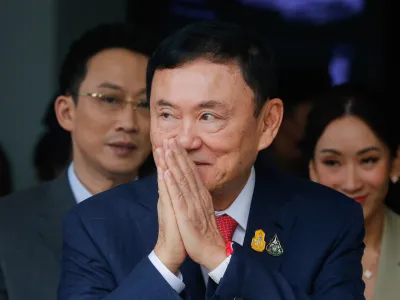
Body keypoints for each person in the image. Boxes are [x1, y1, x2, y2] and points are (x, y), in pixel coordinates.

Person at [59, 21, 365, 300]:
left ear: (268, 123)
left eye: (209, 116)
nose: (185, 140)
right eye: (167, 115)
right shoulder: (94, 225)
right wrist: (164, 262)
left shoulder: (328, 222)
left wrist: (220, 258)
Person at [0, 23, 156, 300]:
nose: (128, 123)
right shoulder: (8, 224)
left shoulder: (183, 220)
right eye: (109, 99)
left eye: (145, 105)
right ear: (66, 112)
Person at [301, 84, 400, 300]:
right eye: (332, 162)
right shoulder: (279, 253)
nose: (351, 183)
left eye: (368, 160)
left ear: (395, 164)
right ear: (312, 169)